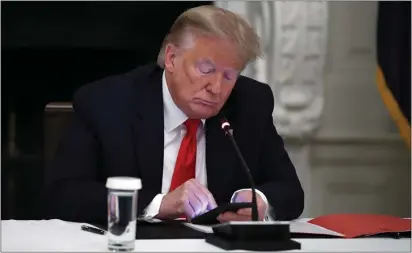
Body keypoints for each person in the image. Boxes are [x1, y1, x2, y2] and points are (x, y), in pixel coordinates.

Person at [45, 5, 304, 225]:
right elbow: (64, 194)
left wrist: (259, 200)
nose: (216, 88)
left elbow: (290, 191)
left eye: (229, 75)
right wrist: (157, 205)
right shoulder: (107, 102)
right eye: (206, 69)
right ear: (171, 58)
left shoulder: (250, 104)